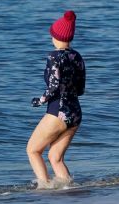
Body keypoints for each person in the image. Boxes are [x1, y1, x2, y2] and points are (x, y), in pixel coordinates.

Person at [27, 10, 86, 188]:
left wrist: (40, 101)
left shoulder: (53, 57)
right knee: (55, 158)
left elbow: (53, 87)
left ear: (55, 36)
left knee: (33, 150)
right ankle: (68, 191)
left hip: (58, 112)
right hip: (75, 113)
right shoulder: (77, 57)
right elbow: (81, 89)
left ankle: (44, 189)